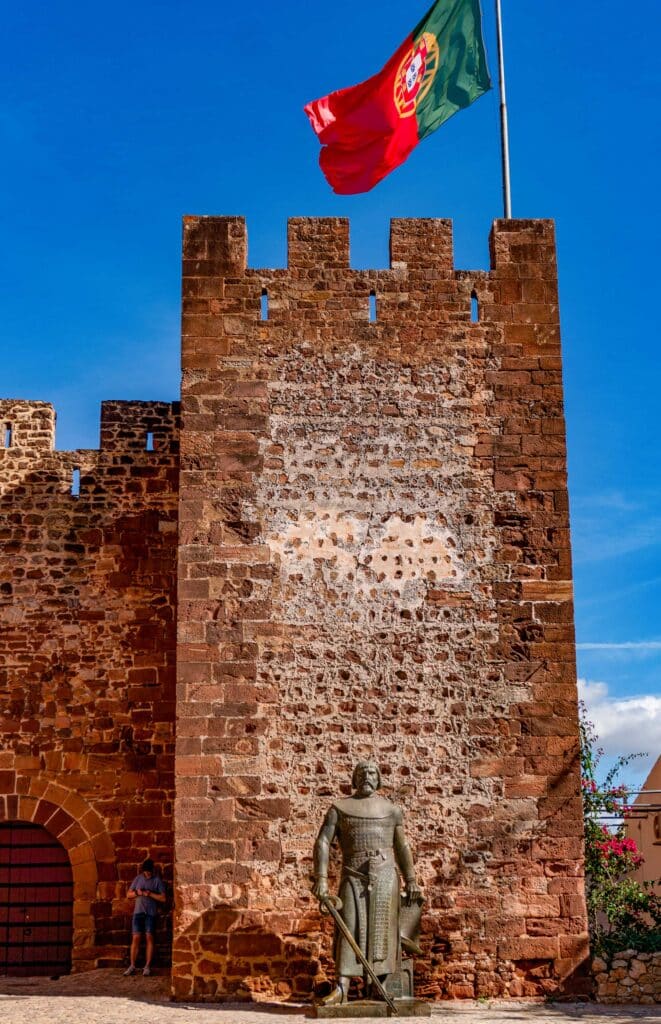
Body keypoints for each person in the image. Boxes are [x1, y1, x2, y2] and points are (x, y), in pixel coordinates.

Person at [312, 761, 422, 1006]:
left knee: (383, 932)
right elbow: (323, 842)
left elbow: (401, 846)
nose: (367, 776)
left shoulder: (391, 810)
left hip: (385, 876)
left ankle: (378, 986)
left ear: (379, 778)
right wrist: (320, 879)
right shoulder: (339, 808)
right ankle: (342, 987)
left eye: (372, 772)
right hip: (353, 876)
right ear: (354, 778)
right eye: (362, 772)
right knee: (349, 928)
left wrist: (411, 879)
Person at [124, 858, 167, 976]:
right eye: (145, 872)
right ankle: (132, 965)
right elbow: (128, 895)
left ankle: (147, 967)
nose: (147, 874)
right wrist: (138, 893)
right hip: (138, 913)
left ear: (152, 871)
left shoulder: (157, 880)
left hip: (151, 914)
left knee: (149, 937)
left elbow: (163, 898)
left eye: (149, 872)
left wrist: (150, 894)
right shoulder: (138, 879)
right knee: (136, 938)